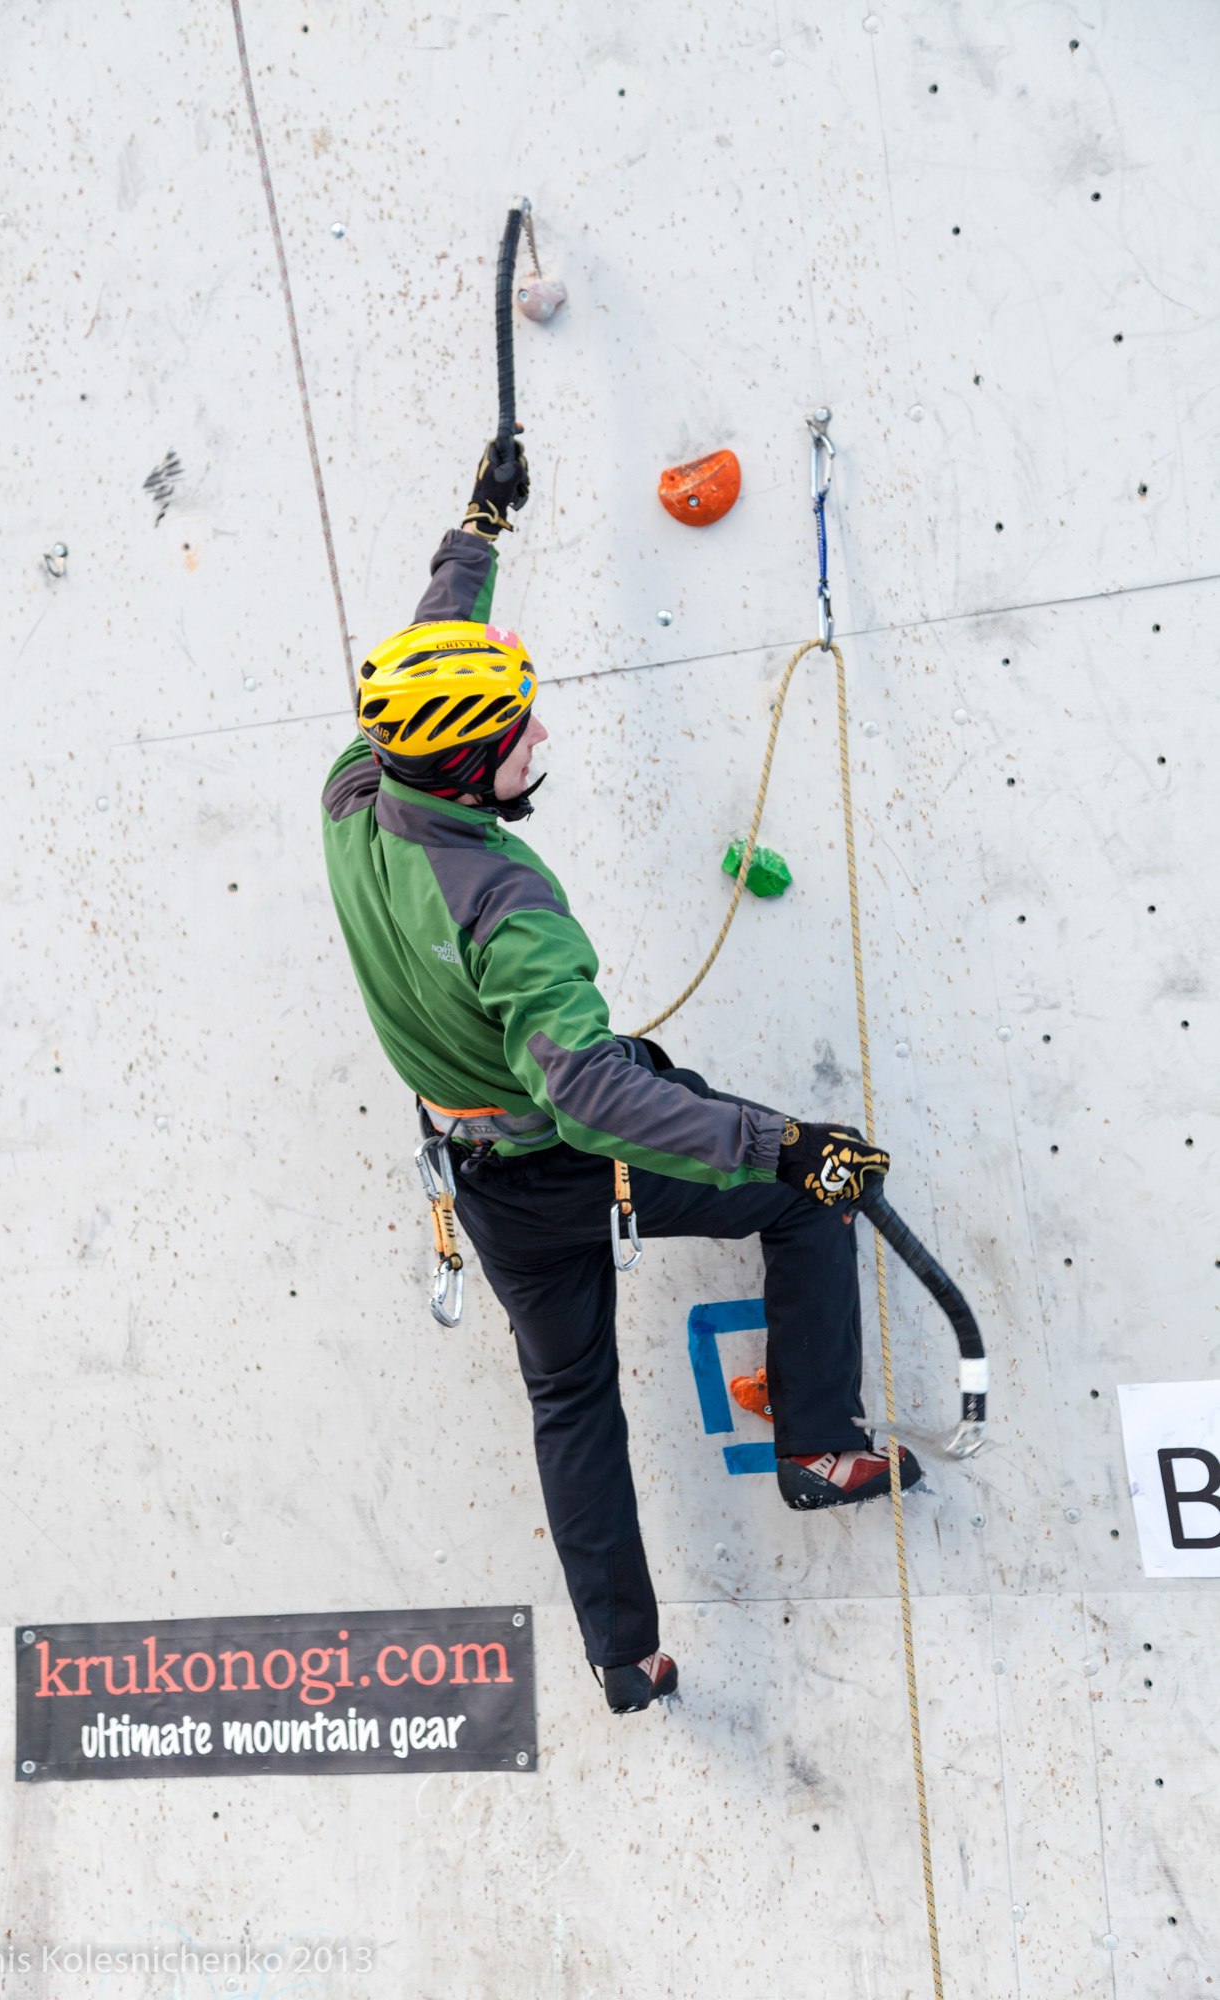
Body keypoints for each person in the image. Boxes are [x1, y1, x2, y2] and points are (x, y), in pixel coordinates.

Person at [320, 438, 921, 1717]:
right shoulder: (505, 903)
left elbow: (421, 657)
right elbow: (595, 1094)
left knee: (569, 1398)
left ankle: (620, 1655)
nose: (537, 730)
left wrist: (474, 531)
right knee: (811, 1193)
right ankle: (814, 1444)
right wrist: (784, 1141)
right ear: (472, 766)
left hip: (477, 1179)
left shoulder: (355, 790)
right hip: (560, 1152)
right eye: (514, 728)